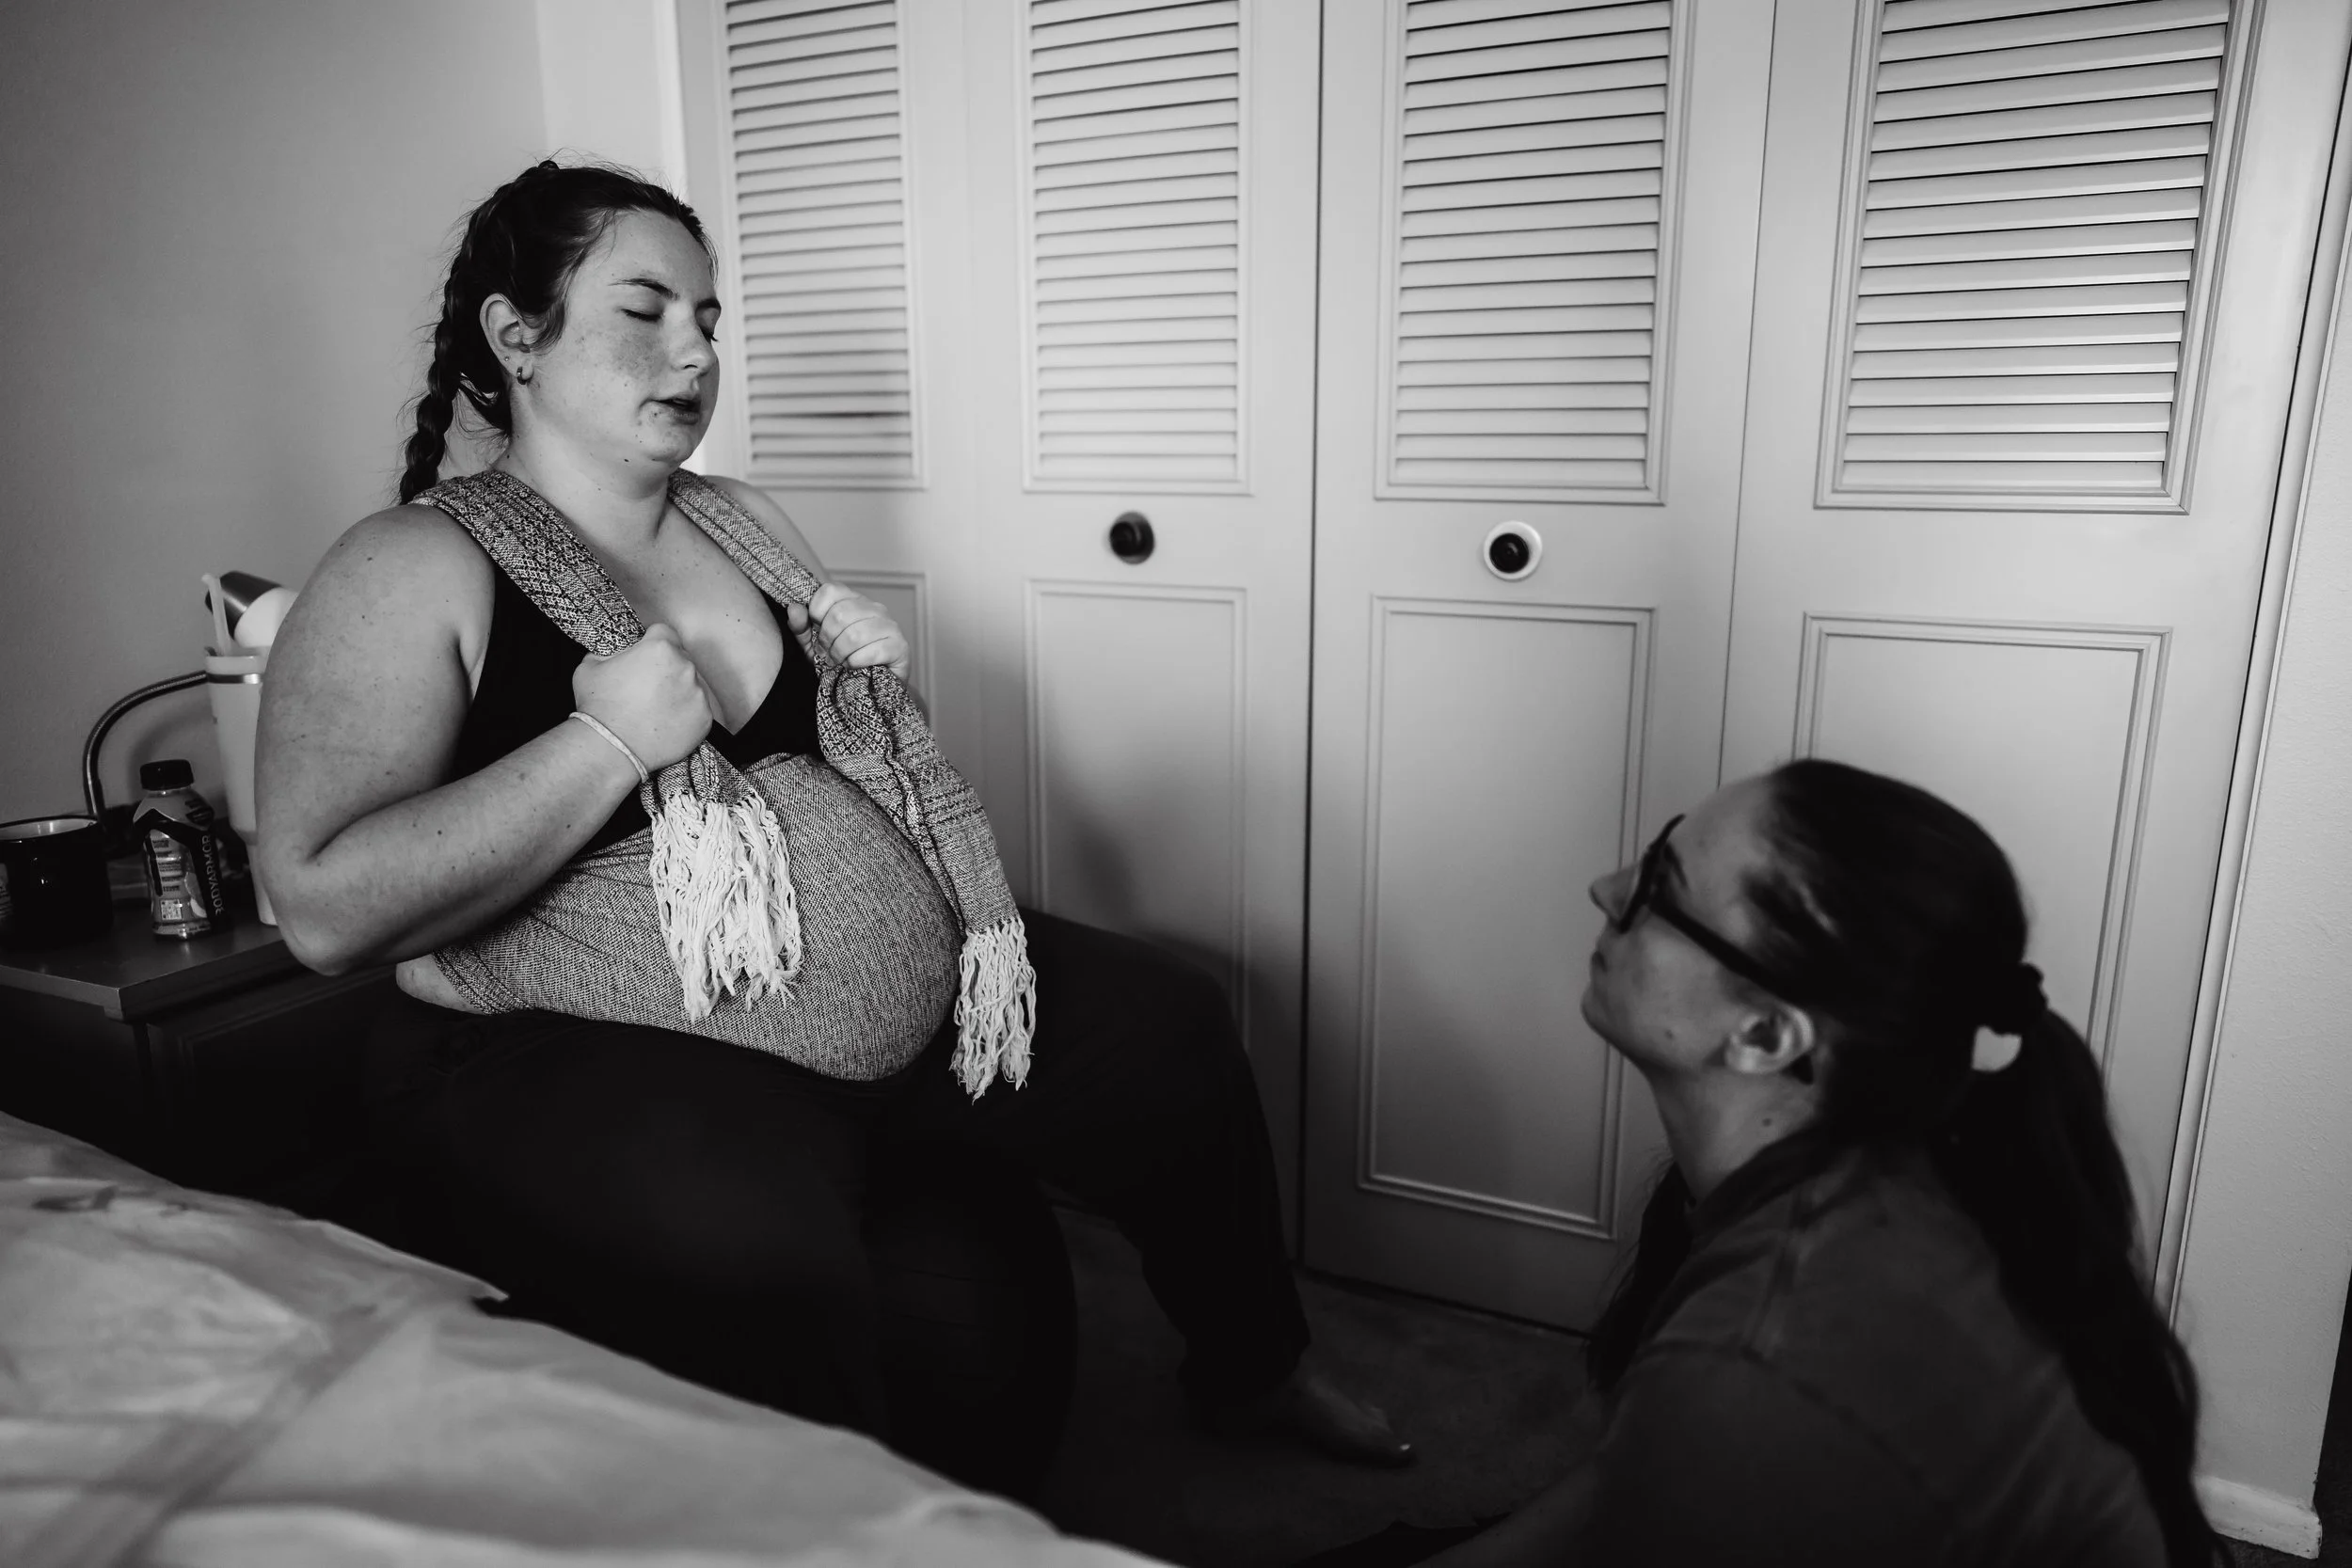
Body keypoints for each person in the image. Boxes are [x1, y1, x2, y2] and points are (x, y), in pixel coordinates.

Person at [253, 160, 1404, 1470]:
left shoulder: (739, 523)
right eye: (645, 310)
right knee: (804, 1283)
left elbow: (840, 777)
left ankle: (1254, 1365)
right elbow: (321, 907)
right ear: (517, 338)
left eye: (709, 316)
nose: (694, 349)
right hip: (558, 1047)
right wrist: (606, 739)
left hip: (870, 1025)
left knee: (1172, 1031)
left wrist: (863, 692)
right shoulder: (411, 565)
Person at [1391, 760, 2222, 1566]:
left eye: (1657, 888)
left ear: (1764, 1036)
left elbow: (1718, 1435)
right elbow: (1624, 1484)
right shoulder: (1899, 1148)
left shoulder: (1759, 1370)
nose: (1607, 889)